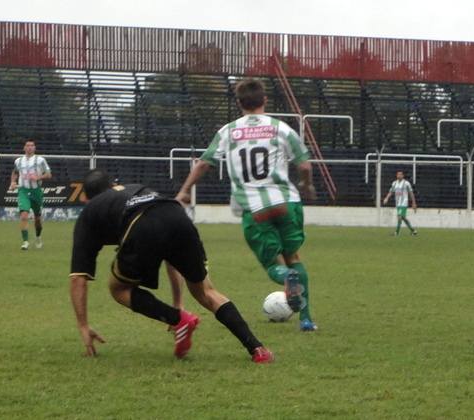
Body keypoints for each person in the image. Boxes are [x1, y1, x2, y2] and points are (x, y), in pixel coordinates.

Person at [69, 169, 274, 363]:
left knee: (118, 288)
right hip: (176, 214)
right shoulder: (134, 188)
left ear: (86, 199)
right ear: (114, 184)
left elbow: (79, 277)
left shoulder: (89, 213)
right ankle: (257, 349)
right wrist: (178, 300)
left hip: (142, 225)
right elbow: (170, 255)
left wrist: (83, 325)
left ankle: (179, 319)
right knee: (206, 291)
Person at [176, 77, 318, 332]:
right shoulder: (281, 128)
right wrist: (307, 186)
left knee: (274, 264)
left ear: (239, 103)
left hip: (254, 209)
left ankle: (286, 278)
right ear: (264, 100)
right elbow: (305, 165)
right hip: (287, 203)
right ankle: (305, 320)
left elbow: (204, 164)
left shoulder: (228, 131)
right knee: (294, 257)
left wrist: (185, 191)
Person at [9, 140, 52, 250]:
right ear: (24, 148)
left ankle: (38, 237)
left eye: (32, 145)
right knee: (24, 216)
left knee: (37, 218)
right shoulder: (19, 161)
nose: (29, 147)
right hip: (23, 190)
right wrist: (13, 182)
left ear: (35, 148)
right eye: (27, 145)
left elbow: (48, 174)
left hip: (36, 191)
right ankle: (25, 242)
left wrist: (38, 178)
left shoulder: (40, 160)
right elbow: (15, 172)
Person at [382, 171, 418, 236]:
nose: (399, 176)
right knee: (403, 217)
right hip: (398, 203)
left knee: (399, 216)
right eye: (398, 174)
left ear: (403, 176)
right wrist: (386, 198)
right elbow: (391, 191)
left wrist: (413, 202)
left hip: (404, 202)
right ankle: (413, 231)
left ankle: (396, 232)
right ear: (396, 175)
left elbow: (411, 193)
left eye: (400, 174)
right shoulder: (394, 183)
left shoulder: (406, 183)